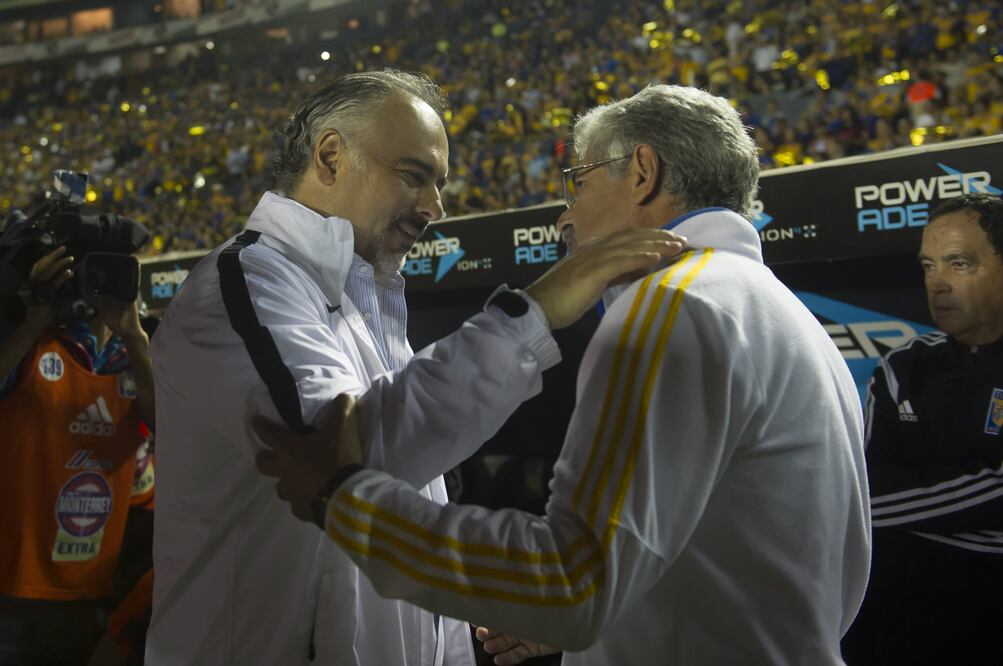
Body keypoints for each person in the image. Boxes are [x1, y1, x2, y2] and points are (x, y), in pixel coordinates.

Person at [257, 83, 871, 665]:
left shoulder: (672, 306)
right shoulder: (788, 316)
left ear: (641, 172)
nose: (564, 219)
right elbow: (758, 573)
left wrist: (346, 500)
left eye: (576, 182)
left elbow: (570, 584)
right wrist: (612, 626)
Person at [145, 68, 683, 665]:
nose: (437, 207)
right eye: (414, 176)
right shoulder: (245, 282)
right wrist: (531, 314)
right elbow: (338, 458)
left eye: (440, 183)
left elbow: (396, 499)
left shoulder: (363, 294)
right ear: (329, 156)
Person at [841, 193, 1003, 666]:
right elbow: (865, 492)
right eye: (929, 266)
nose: (938, 284)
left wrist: (900, 509)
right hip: (902, 619)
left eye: (958, 263)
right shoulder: (902, 367)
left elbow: (871, 510)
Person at [0, 246, 156, 666]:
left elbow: (173, 427)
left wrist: (135, 337)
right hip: (15, 588)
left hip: (95, 585)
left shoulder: (132, 361)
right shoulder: (32, 345)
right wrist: (32, 322)